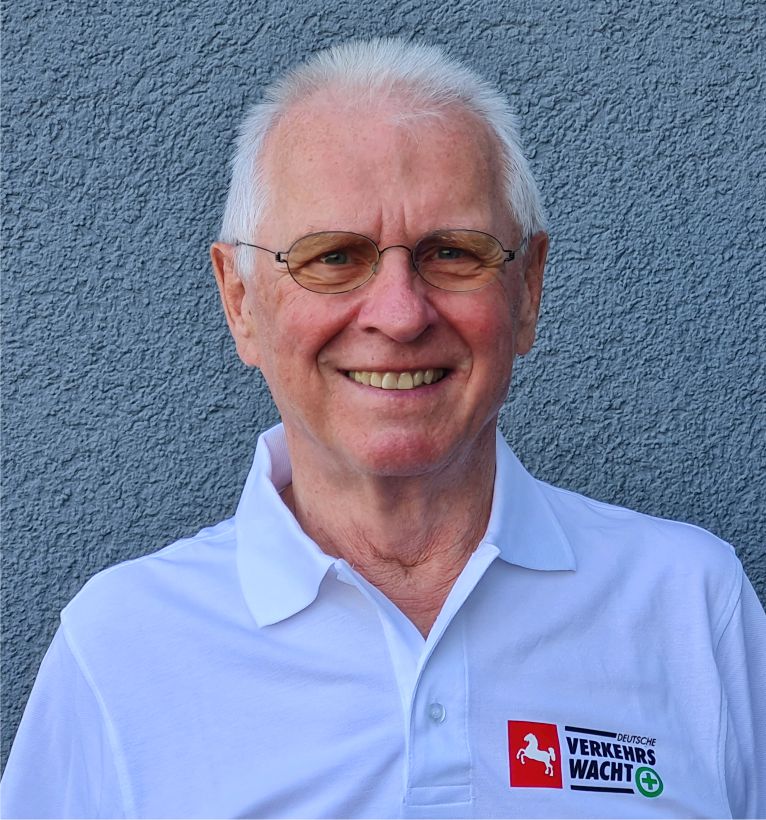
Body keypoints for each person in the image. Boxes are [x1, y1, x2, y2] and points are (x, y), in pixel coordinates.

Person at [2, 38, 764, 819]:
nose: (400, 315)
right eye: (333, 257)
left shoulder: (691, 607)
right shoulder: (122, 647)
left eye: (452, 252)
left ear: (528, 290)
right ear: (240, 302)